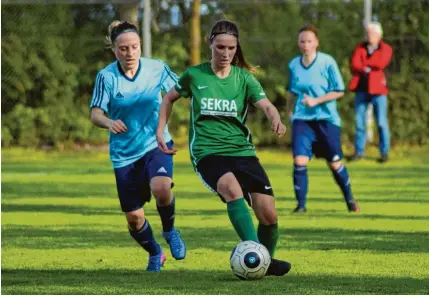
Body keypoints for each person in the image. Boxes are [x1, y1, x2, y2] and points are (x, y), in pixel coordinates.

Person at [156, 20, 291, 277]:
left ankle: (264, 260)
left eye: (231, 48)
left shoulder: (244, 79)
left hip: (242, 152)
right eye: (220, 47)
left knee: (269, 215)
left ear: (236, 47)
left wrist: (275, 117)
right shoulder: (195, 75)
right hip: (208, 152)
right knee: (232, 189)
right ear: (210, 44)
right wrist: (160, 130)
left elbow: (266, 105)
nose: (226, 54)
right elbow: (168, 98)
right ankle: (259, 257)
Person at [89, 21, 186, 272]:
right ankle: (155, 252)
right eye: (123, 49)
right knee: (134, 217)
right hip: (124, 154)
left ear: (140, 46)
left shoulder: (157, 68)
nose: (129, 53)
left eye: (134, 47)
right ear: (115, 50)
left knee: (162, 188)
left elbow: (181, 89)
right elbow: (96, 114)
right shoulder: (107, 77)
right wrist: (109, 122)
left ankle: (170, 230)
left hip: (156, 142)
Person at [286, 24, 360, 213]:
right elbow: (291, 92)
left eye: (309, 41)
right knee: (300, 161)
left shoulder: (327, 62)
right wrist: (289, 112)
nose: (305, 45)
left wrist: (317, 101)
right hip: (303, 120)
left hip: (326, 120)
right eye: (302, 41)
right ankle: (301, 206)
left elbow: (339, 91)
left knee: (334, 163)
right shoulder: (294, 64)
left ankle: (350, 200)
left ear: (316, 43)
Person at [348, 21, 393, 163]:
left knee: (381, 122)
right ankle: (358, 152)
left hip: (378, 90)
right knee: (359, 122)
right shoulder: (360, 48)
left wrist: (365, 65)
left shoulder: (385, 48)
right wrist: (367, 67)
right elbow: (355, 63)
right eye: (368, 33)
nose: (369, 36)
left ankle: (384, 153)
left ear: (379, 35)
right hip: (361, 89)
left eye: (372, 33)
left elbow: (381, 63)